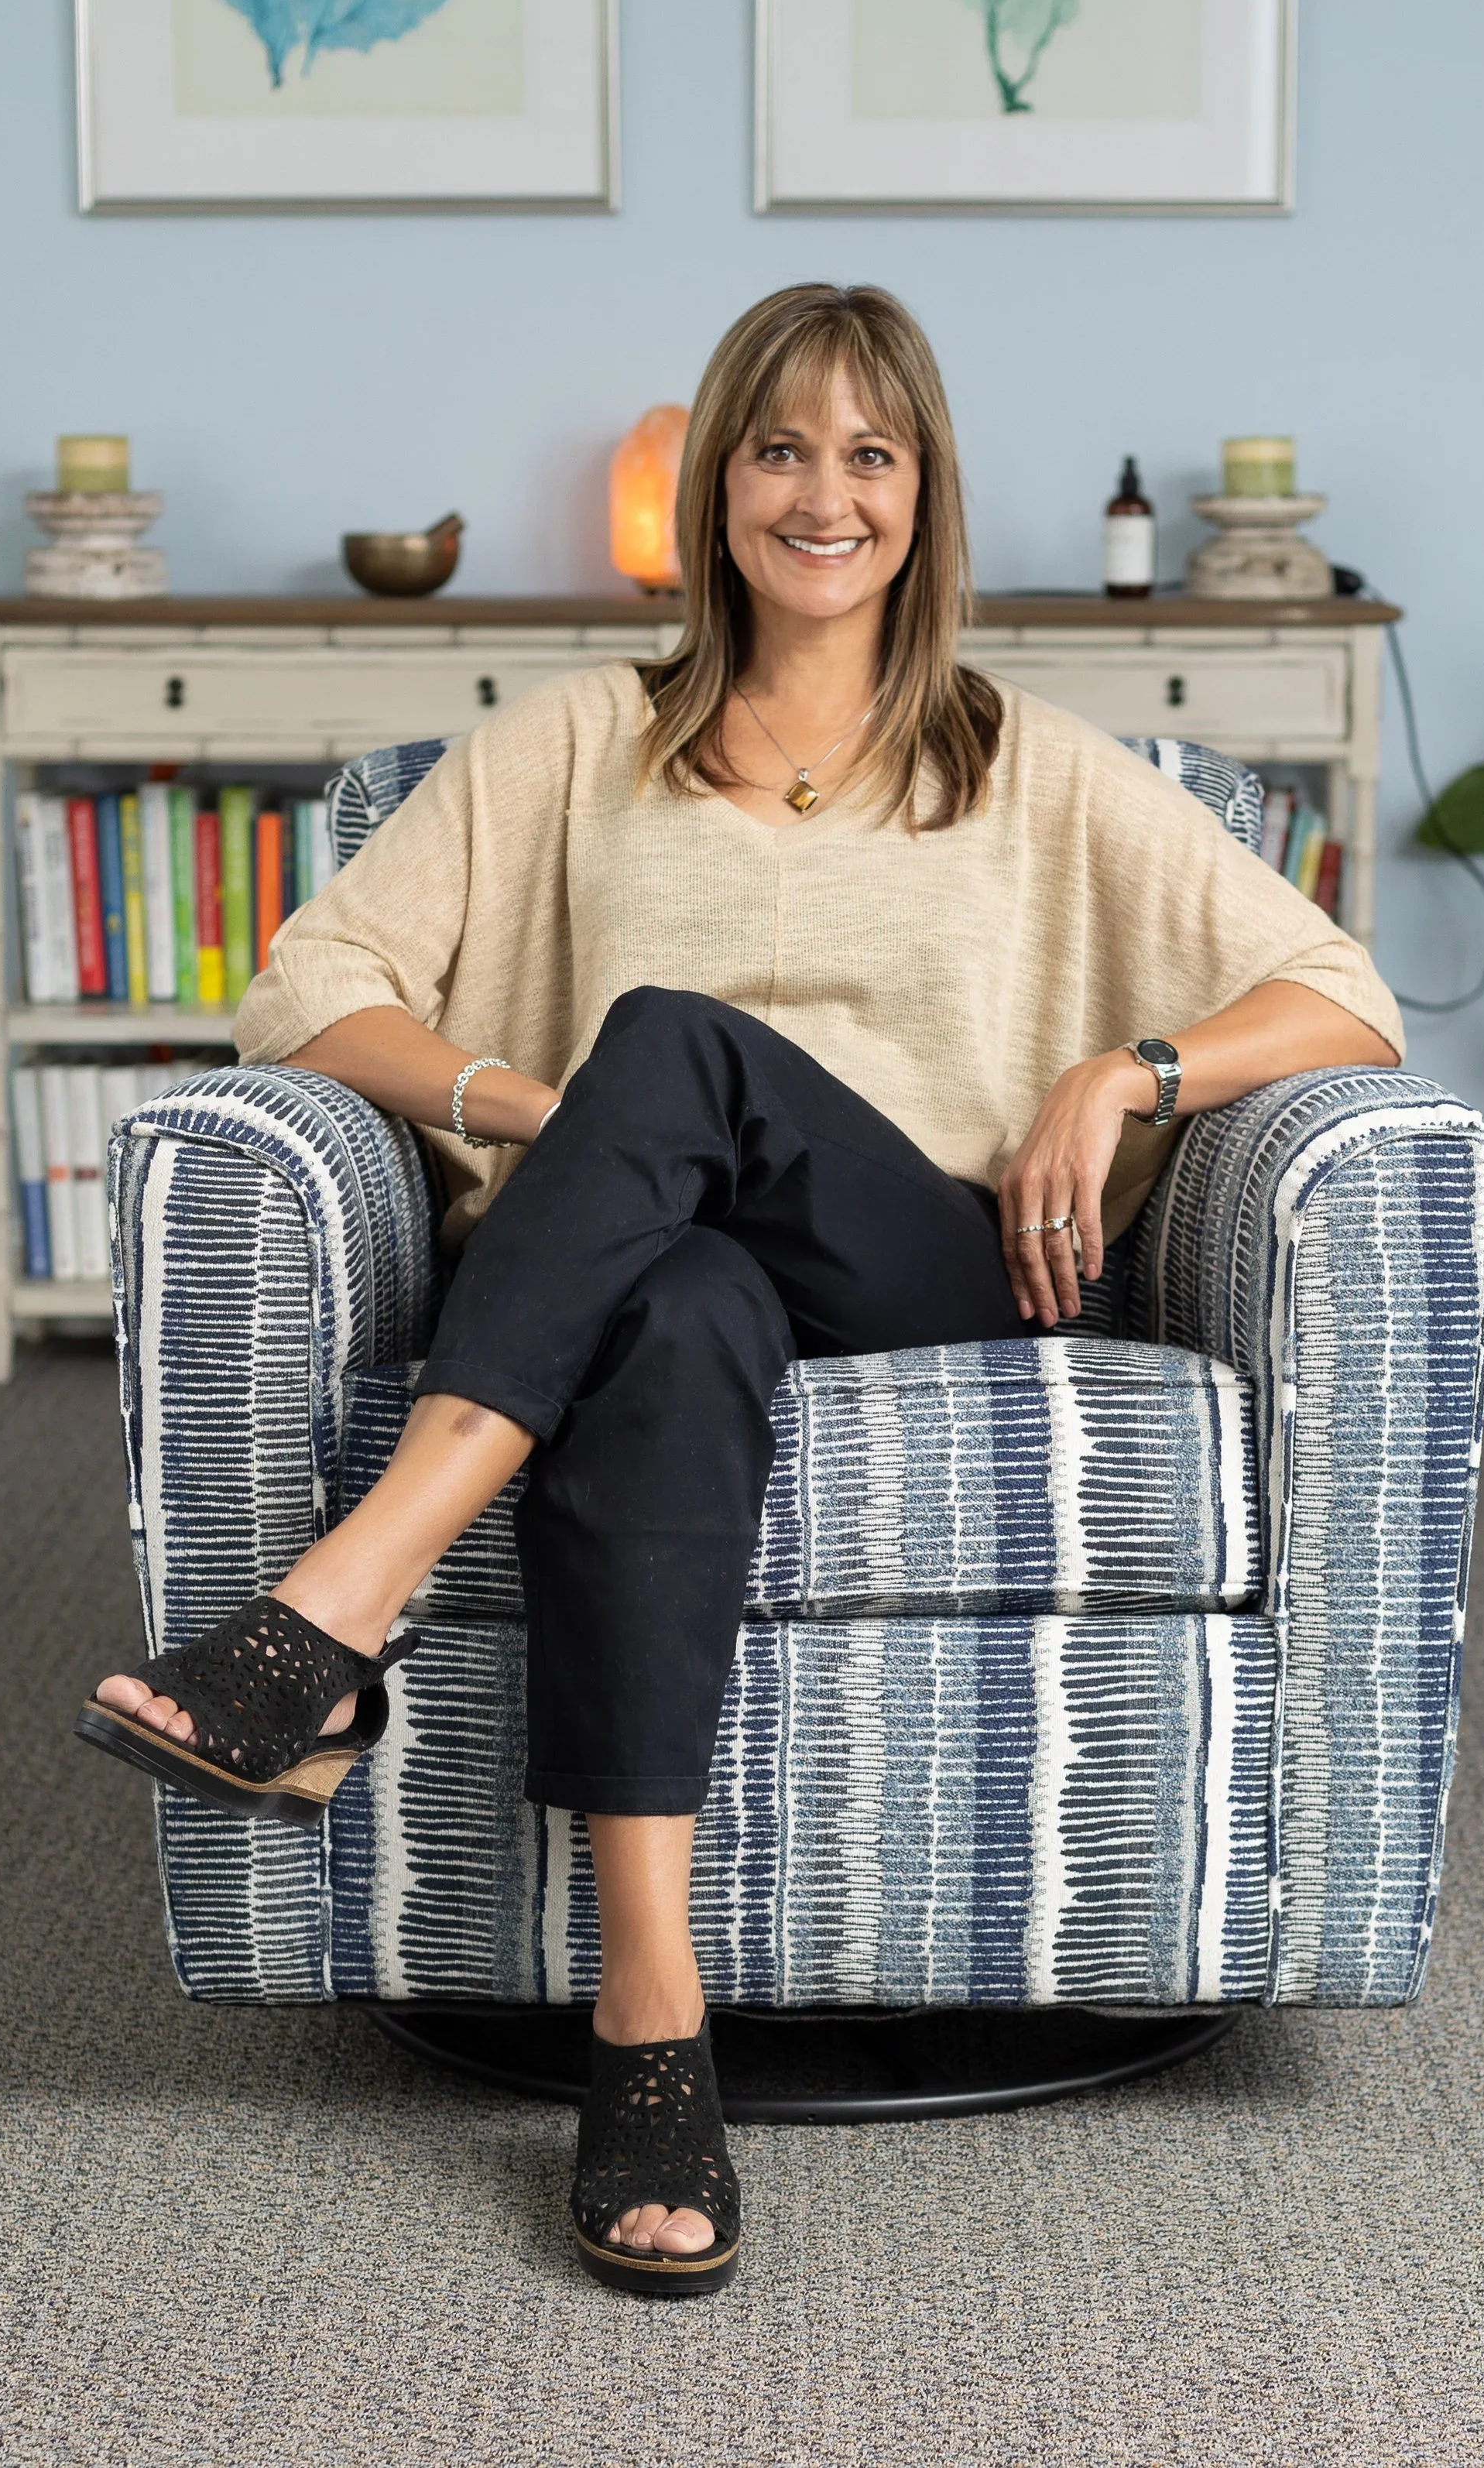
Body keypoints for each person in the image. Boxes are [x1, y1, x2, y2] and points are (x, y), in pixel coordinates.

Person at [76, 282, 1402, 2297]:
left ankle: (337, 1606)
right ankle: (649, 2025)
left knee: (679, 1036)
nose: (821, 492)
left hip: (936, 1261)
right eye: (779, 447)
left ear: (921, 491)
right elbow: (308, 987)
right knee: (675, 1296)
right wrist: (527, 1100)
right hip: (664, 1266)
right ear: (715, 488)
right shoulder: (578, 745)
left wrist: (1122, 1073)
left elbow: (1345, 1001)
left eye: (868, 452)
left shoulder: (1023, 763)